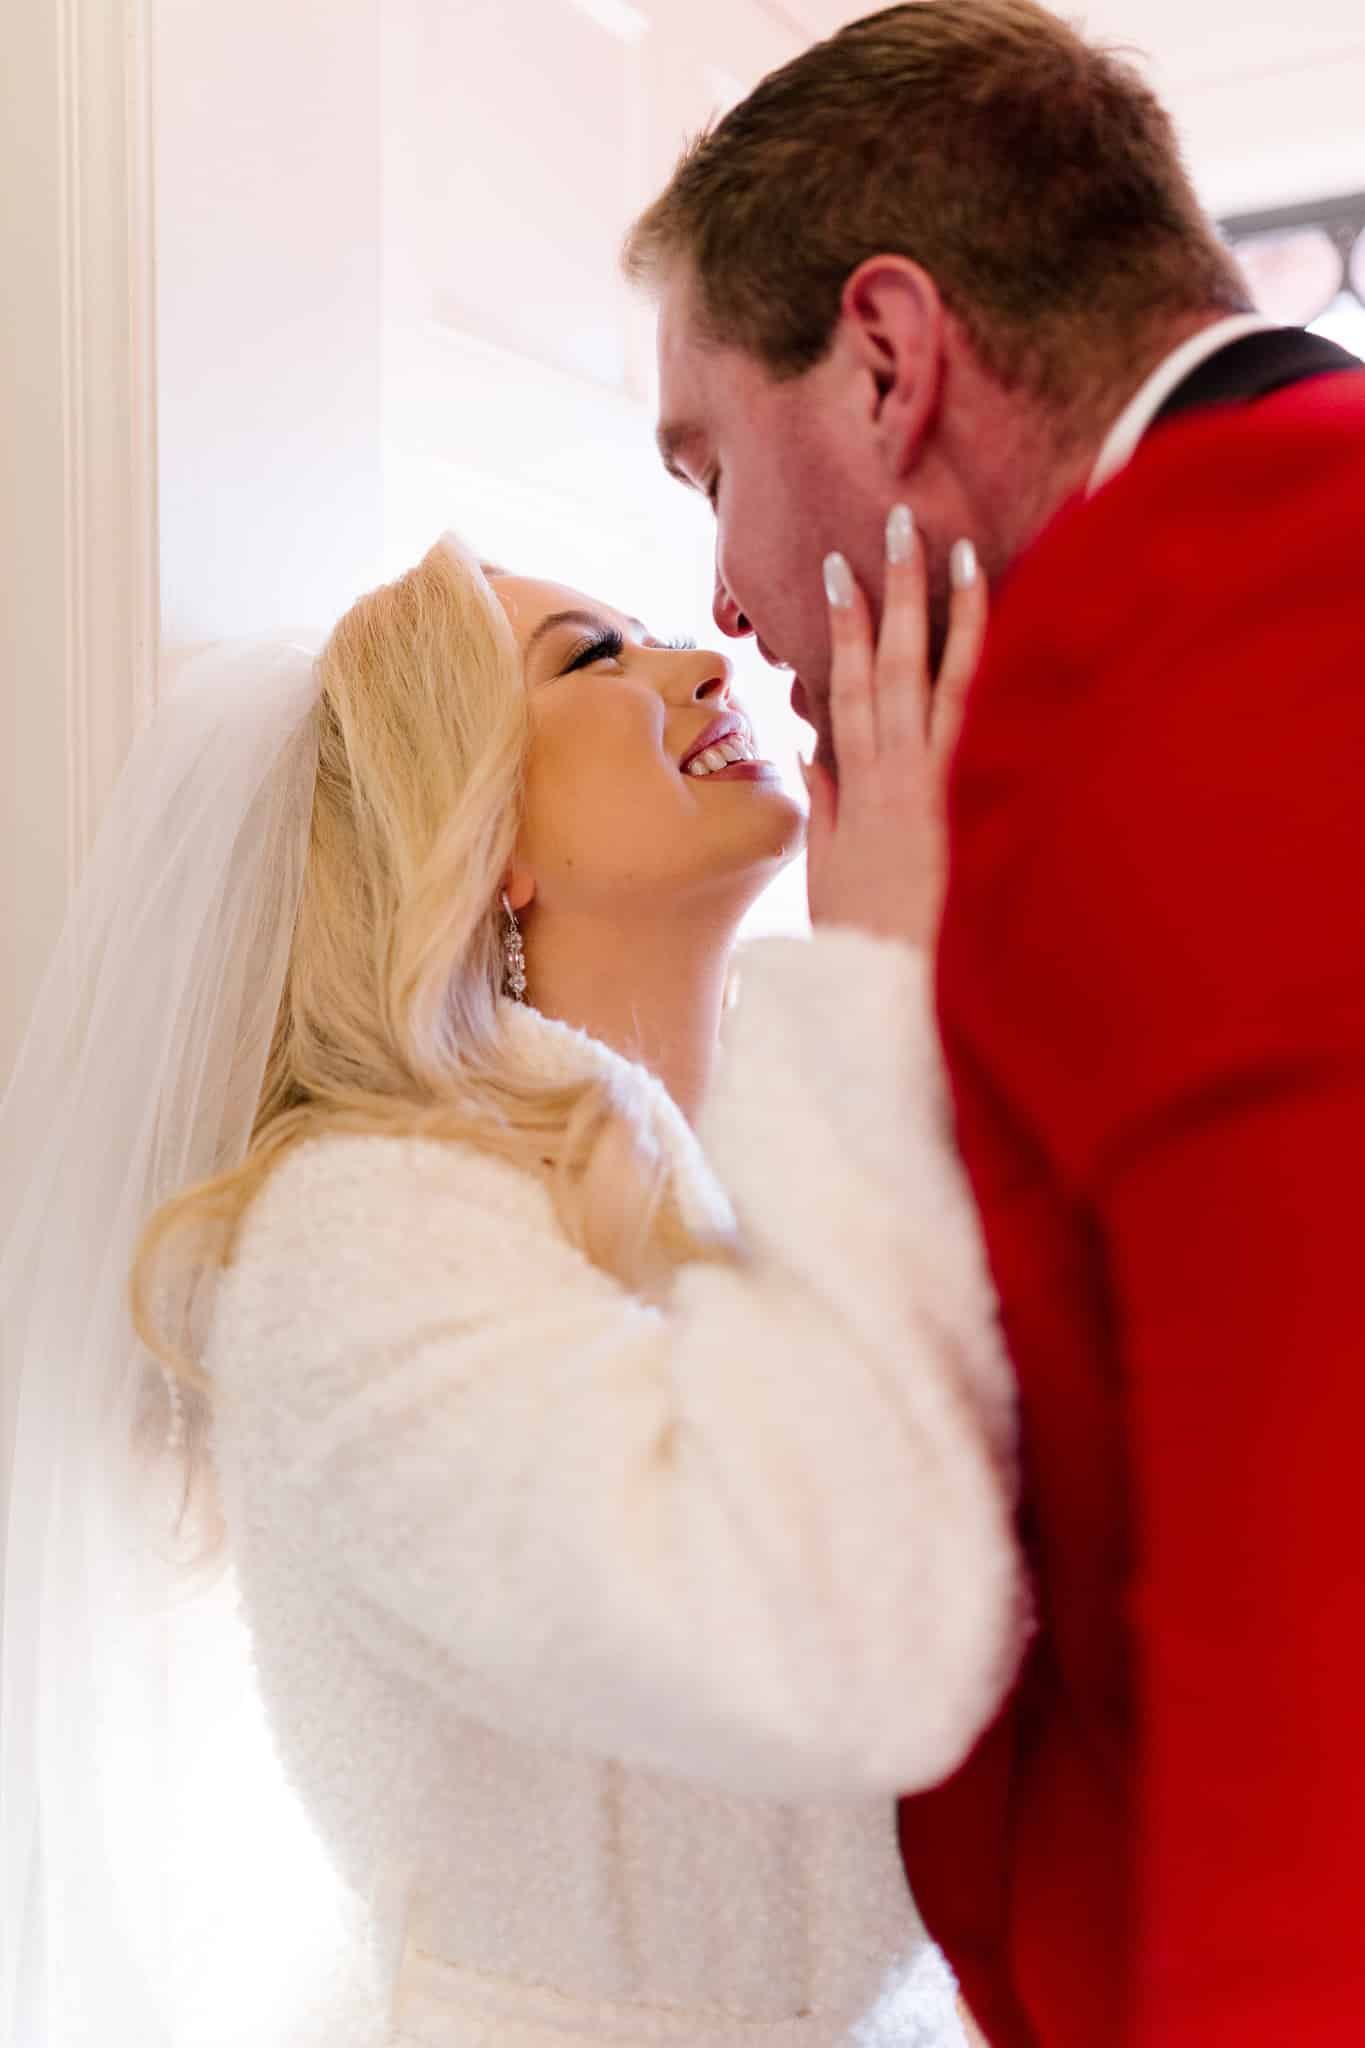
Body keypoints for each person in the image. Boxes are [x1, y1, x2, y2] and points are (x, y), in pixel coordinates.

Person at [0, 533, 1023, 2047]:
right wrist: (884, 982)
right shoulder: (351, 1229)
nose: (704, 664)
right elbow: (760, 1626)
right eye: (592, 659)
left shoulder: (776, 1202)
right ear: (478, 833)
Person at [623, 3, 1365, 2045]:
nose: (729, 602)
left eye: (708, 467)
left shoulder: (1204, 623)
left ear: (885, 359)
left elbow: (1305, 1601)